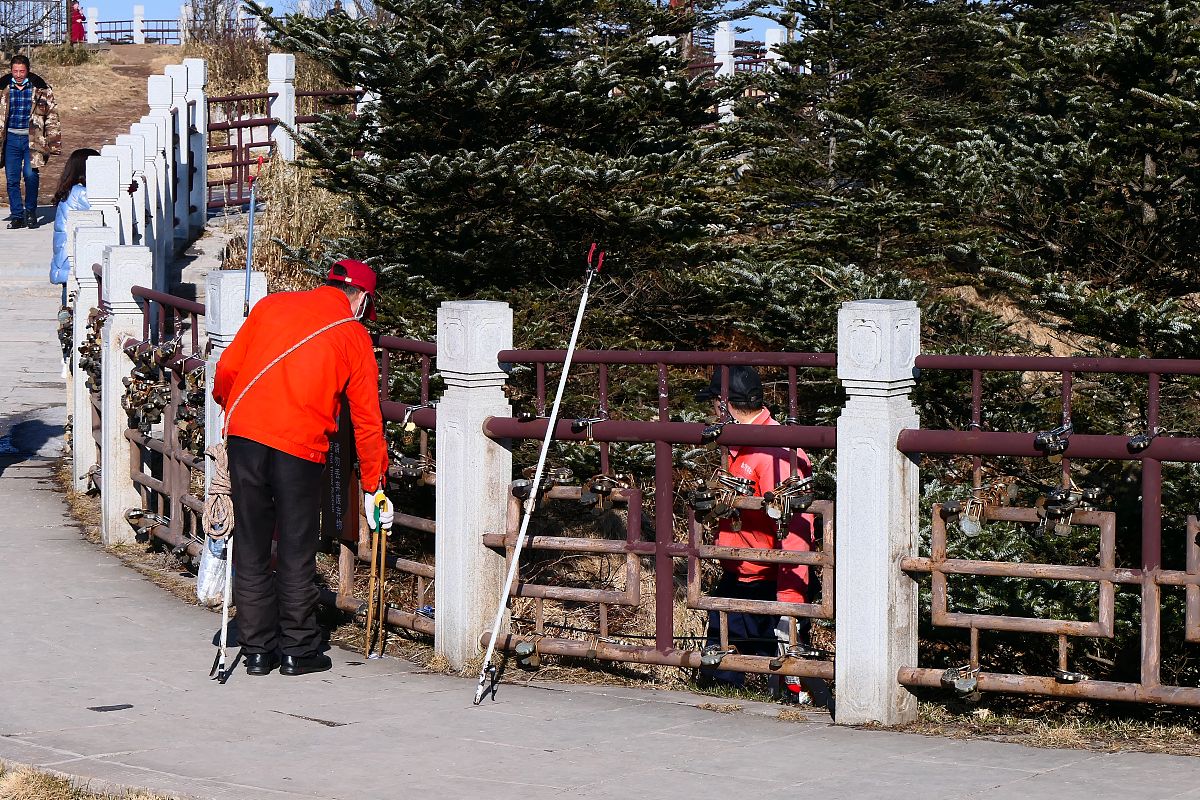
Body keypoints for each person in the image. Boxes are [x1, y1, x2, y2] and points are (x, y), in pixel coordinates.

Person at [212, 259, 391, 677]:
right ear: (363, 300)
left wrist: (232, 410)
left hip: (246, 437)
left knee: (252, 543)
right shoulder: (353, 335)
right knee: (296, 547)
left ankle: (257, 650)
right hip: (300, 447)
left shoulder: (271, 306)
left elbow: (227, 370)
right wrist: (374, 485)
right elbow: (367, 421)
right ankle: (297, 647)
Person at [696, 365, 814, 691]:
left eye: (713, 404)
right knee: (719, 674)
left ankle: (790, 695)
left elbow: (796, 531)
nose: (711, 412)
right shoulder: (738, 444)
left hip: (772, 584)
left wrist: (789, 604)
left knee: (785, 678)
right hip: (737, 576)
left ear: (724, 404)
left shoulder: (777, 452)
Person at [2, 55, 61, 230]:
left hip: (33, 139)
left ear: (27, 70)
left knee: (30, 174)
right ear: (11, 71)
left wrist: (54, 142)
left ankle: (30, 212)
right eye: (15, 71)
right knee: (12, 178)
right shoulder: (3, 89)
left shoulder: (41, 89)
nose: (18, 75)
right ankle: (17, 215)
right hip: (10, 139)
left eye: (22, 71)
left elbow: (52, 116)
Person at [49, 148, 98, 305]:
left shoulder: (70, 190)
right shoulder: (81, 193)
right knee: (73, 302)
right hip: (72, 258)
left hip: (64, 256)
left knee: (69, 302)